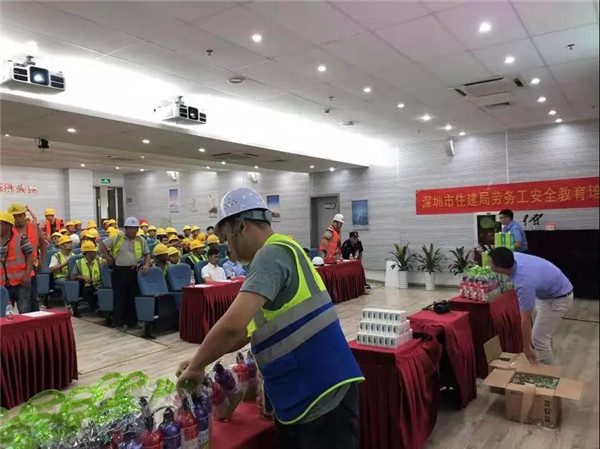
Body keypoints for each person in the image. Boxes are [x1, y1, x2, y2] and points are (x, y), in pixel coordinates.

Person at [176, 188, 363, 449]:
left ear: (242, 226)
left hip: (317, 393)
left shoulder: (270, 254)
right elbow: (246, 332)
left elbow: (232, 327)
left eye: (227, 238)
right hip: (317, 386)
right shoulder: (288, 247)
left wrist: (197, 367)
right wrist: (200, 358)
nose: (228, 249)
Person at [489, 247, 573, 365]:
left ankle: (549, 372)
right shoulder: (514, 257)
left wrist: (527, 347)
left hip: (558, 299)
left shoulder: (524, 283)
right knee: (542, 334)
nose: (488, 263)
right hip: (546, 292)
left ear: (500, 268)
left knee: (538, 339)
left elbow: (525, 320)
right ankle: (545, 355)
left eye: (490, 262)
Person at [100, 217, 150, 331]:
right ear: (126, 229)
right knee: (120, 298)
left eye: (135, 228)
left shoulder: (141, 240)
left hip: (133, 271)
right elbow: (102, 245)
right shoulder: (117, 238)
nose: (133, 230)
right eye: (130, 228)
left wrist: (147, 265)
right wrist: (107, 257)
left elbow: (147, 253)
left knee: (132, 298)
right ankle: (118, 323)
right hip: (119, 271)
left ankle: (132, 322)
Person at [8, 203, 45, 312]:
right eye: (14, 216)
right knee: (9, 305)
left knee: (32, 300)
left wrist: (42, 261)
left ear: (25, 215)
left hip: (31, 269)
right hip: (13, 272)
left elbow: (43, 244)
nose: (18, 219)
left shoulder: (34, 228)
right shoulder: (8, 230)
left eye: (20, 215)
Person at [1, 211, 35, 313]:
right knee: (4, 313)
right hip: (3, 285)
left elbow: (30, 256)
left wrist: (27, 275)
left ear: (8, 225)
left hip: (21, 282)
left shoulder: (21, 238)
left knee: (25, 310)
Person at [72, 241, 101, 314]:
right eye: (93, 251)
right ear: (88, 253)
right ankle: (94, 308)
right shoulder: (78, 262)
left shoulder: (99, 260)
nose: (95, 252)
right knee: (86, 292)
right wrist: (84, 278)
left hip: (99, 284)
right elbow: (74, 275)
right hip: (87, 285)